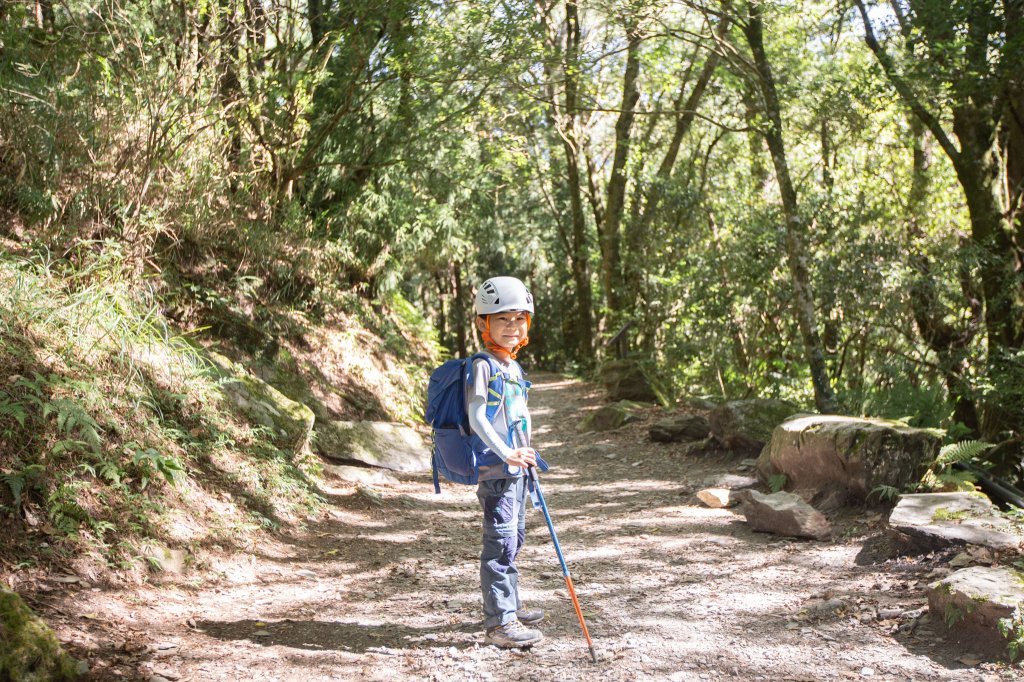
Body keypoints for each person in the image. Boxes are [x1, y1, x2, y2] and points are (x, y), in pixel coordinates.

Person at [467, 276, 545, 649]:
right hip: (498, 470)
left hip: (518, 470)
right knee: (499, 543)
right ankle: (500, 623)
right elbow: (477, 417)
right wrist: (507, 453)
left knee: (513, 539)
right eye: (502, 319)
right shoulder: (483, 365)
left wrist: (525, 455)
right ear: (485, 323)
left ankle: (509, 606)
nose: (511, 327)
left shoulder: (512, 367)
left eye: (518, 319)